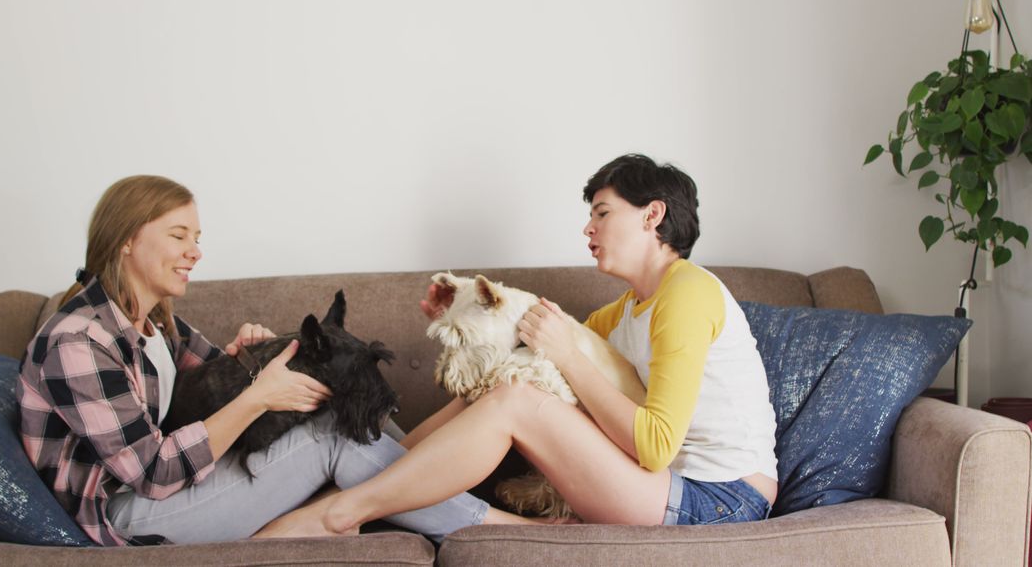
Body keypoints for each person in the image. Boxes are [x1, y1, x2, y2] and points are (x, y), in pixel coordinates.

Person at [255, 153, 779, 536]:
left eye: (602, 212)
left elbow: (656, 445)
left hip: (722, 500)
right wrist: (460, 305)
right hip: (664, 488)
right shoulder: (623, 313)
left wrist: (570, 354)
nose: (588, 227)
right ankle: (365, 480)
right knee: (504, 383)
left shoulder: (687, 291)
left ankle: (343, 510)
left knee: (516, 401)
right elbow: (525, 335)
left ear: (653, 215)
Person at [15, 175, 535, 546]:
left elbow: (222, 382)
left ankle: (448, 491)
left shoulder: (158, 326)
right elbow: (153, 472)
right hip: (127, 517)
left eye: (197, 238)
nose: (195, 251)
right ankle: (505, 533)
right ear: (126, 239)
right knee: (333, 436)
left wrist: (249, 358)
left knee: (342, 412)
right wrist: (260, 394)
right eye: (178, 236)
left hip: (178, 488)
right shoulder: (79, 341)